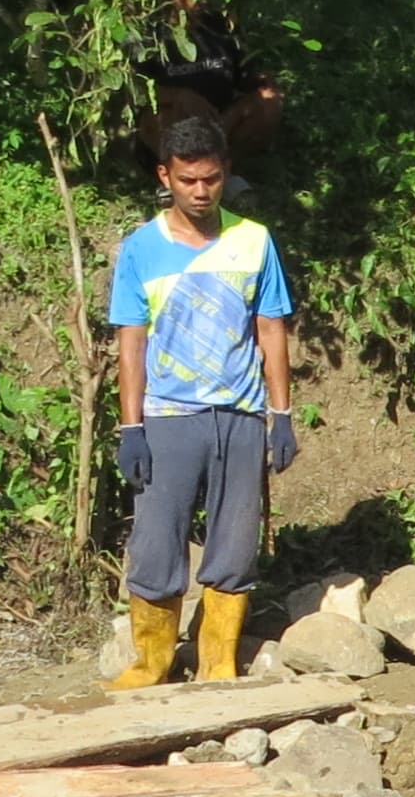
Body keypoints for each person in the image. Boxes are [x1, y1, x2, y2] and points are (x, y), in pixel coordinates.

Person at [107, 115, 296, 689]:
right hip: (166, 417)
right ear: (166, 175)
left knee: (234, 544)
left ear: (225, 174)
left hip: (238, 417)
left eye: (211, 179)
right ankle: (152, 663)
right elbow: (131, 344)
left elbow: (271, 329)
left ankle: (218, 663)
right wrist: (129, 427)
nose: (200, 191)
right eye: (188, 180)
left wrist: (281, 414)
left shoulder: (254, 240)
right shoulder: (141, 248)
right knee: (156, 541)